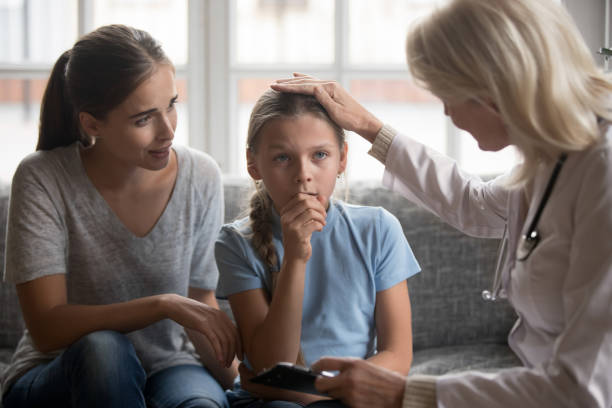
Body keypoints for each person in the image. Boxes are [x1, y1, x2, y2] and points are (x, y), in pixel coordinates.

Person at [269, 0, 612, 406]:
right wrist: (366, 125)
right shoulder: (553, 155)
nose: (446, 112)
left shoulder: (602, 173)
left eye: (448, 95)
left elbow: (585, 390)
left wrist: (407, 394)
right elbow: (475, 203)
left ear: (497, 89)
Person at [1, 24, 241, 408]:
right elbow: (47, 330)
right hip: (58, 370)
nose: (168, 131)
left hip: (167, 366)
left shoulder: (201, 175)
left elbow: (200, 304)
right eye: (144, 118)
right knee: (104, 351)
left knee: (202, 405)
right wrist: (162, 304)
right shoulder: (42, 178)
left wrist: (250, 387)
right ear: (92, 124)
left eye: (171, 105)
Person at [214, 90, 421, 407]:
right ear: (253, 164)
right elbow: (271, 364)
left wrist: (324, 391)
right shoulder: (235, 243)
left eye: (320, 155)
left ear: (343, 159)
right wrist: (296, 257)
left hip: (347, 398)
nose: (303, 175)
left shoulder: (379, 229)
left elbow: (397, 358)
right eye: (282, 157)